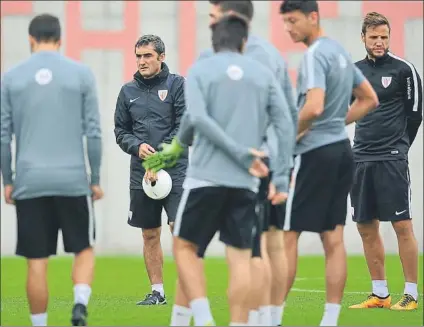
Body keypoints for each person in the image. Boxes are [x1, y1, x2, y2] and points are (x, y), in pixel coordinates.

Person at [143, 14, 295, 326]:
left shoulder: (201, 68)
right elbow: (285, 123)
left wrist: (173, 150)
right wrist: (280, 175)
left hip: (204, 179)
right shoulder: (262, 73)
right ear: (243, 41)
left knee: (185, 248)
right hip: (247, 182)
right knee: (241, 257)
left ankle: (203, 316)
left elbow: (195, 118)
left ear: (214, 41)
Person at [279, 1, 379, 326]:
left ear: (312, 18)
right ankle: (330, 320)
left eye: (293, 21)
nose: (288, 28)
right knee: (333, 239)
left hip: (314, 155)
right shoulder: (338, 51)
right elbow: (369, 98)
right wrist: (337, 124)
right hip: (341, 151)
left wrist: (286, 138)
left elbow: (314, 107)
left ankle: (272, 317)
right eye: (285, 22)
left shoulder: (313, 55)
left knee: (289, 234)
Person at [0, 14, 103, 326]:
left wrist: (8, 180)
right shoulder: (82, 74)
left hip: (30, 181)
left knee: (37, 261)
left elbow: (4, 136)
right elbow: (94, 132)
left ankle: (40, 324)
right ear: (60, 40)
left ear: (31, 39)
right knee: (83, 249)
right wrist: (95, 178)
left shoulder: (11, 78)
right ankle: (80, 304)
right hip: (72, 179)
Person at [348, 12, 422, 311]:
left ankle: (411, 294)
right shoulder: (354, 71)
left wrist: (399, 148)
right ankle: (380, 293)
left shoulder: (405, 70)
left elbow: (415, 115)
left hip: (391, 158)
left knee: (402, 225)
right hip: (360, 157)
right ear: (363, 38)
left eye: (384, 37)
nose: (379, 42)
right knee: (366, 226)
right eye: (374, 37)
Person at [113, 34, 187, 306]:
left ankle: (187, 291)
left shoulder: (177, 85)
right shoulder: (127, 91)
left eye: (147, 56)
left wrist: (157, 161)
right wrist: (137, 146)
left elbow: (183, 129)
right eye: (138, 56)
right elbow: (121, 131)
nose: (142, 61)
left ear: (161, 57)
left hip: (175, 170)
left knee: (178, 229)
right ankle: (157, 292)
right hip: (141, 173)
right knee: (150, 233)